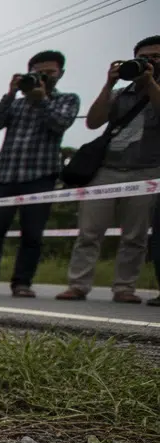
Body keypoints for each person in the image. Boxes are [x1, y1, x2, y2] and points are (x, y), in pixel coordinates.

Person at [0, 50, 81, 297]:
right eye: (38, 73)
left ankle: (22, 283)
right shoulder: (16, 104)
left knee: (32, 233)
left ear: (60, 73)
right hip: (6, 175)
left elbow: (60, 124)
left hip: (41, 175)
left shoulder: (66, 100)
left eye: (49, 73)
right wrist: (10, 93)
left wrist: (41, 100)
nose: (43, 77)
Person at [57, 37, 160, 304]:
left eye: (156, 57)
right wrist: (110, 83)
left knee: (135, 235)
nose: (151, 61)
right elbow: (93, 122)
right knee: (89, 231)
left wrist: (150, 84)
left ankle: (124, 288)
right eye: (145, 57)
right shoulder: (120, 94)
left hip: (147, 171)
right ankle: (78, 285)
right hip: (106, 169)